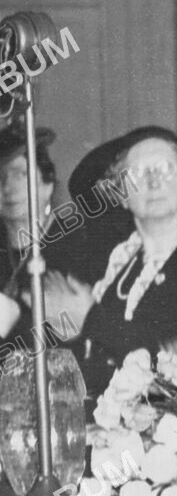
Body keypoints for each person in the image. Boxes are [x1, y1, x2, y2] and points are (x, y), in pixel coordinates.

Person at [42, 127, 177, 397]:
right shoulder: (118, 263)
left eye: (165, 168)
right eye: (137, 173)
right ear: (121, 195)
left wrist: (89, 319)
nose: (153, 182)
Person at [0, 125, 89, 352]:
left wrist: (14, 323)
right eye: (0, 176)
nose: (9, 188)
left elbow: (81, 332)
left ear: (47, 184)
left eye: (22, 174)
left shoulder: (77, 245)